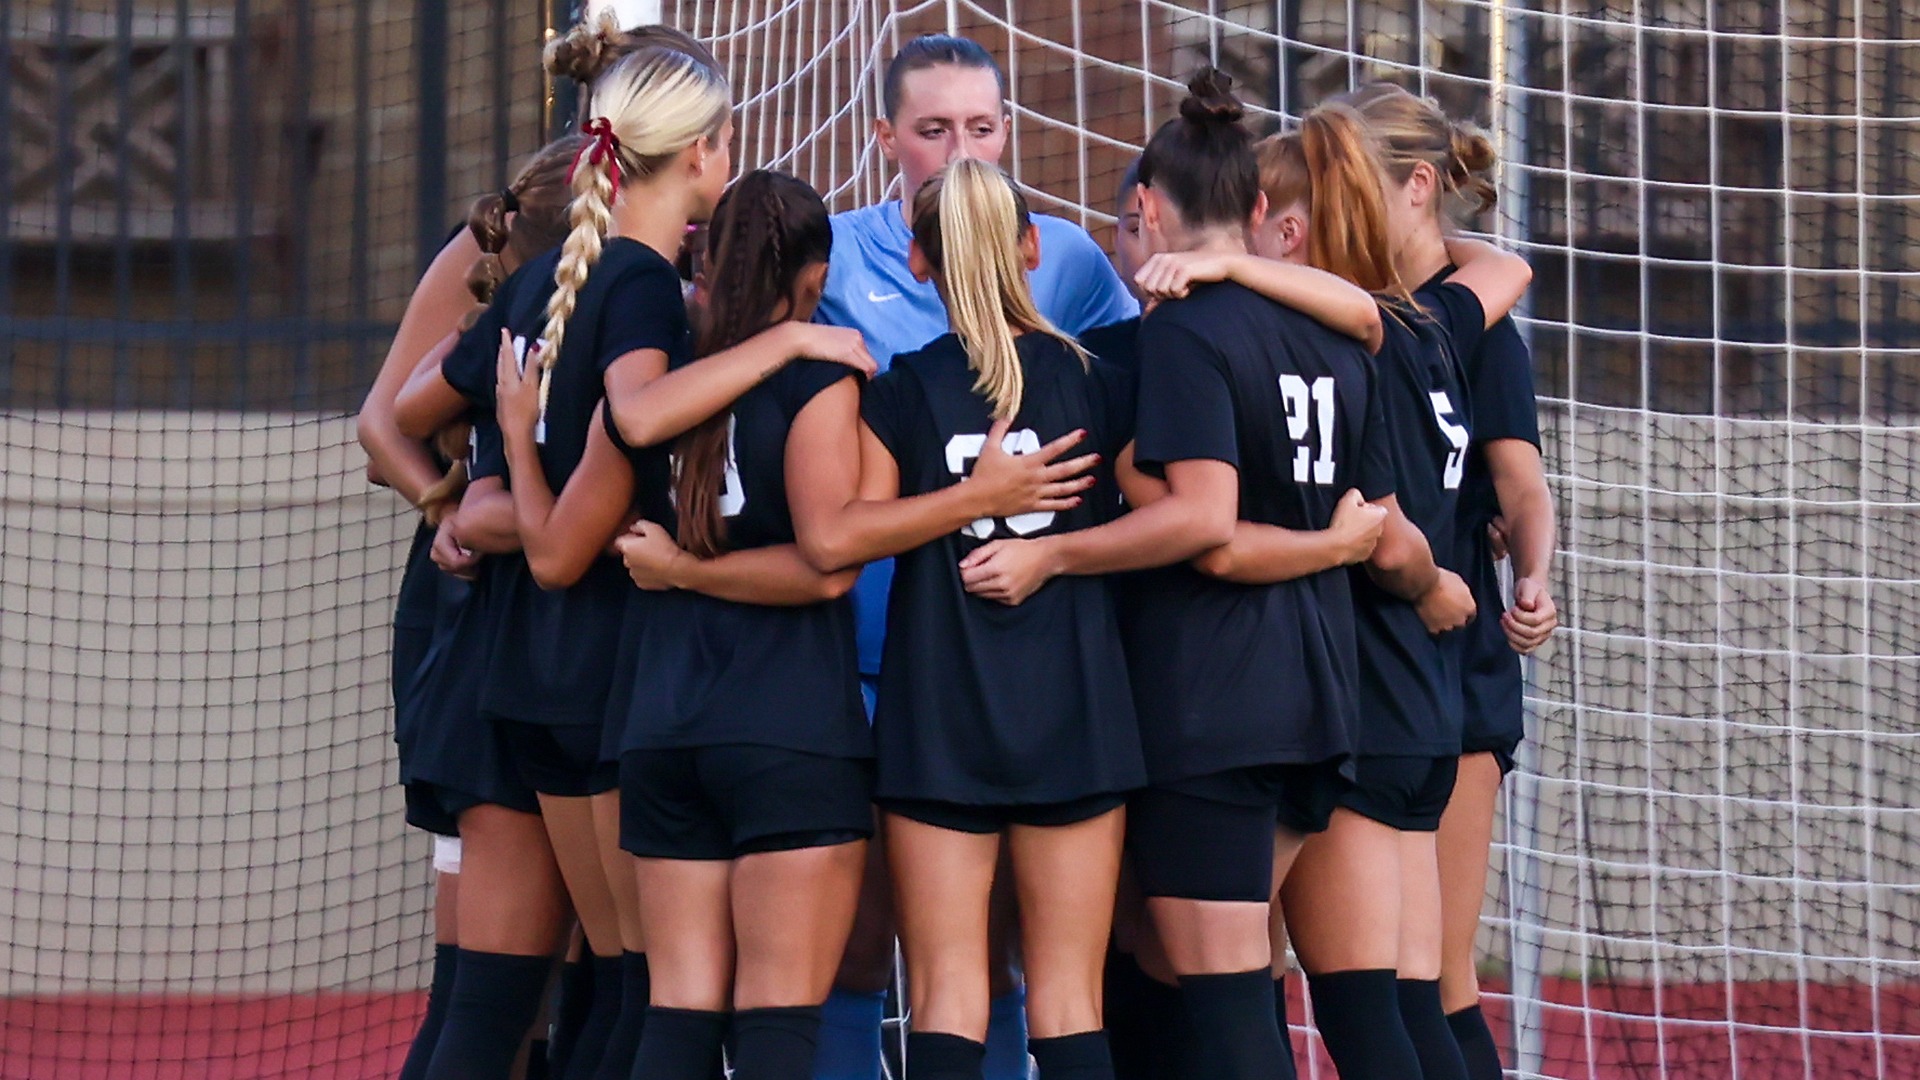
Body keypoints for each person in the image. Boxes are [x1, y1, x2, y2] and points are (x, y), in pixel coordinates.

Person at [809, 35, 1143, 1080]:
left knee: (949, 988)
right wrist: (1065, 550)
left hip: (936, 702)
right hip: (1074, 703)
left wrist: (965, 509)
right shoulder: (1099, 381)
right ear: (1033, 249)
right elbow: (1192, 515)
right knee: (1069, 997)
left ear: (919, 261)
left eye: (980, 125)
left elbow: (837, 533)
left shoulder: (897, 386)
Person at [1340, 81, 1560, 1080]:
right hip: (1373, 662)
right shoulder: (1360, 314)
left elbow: (1522, 484)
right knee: (1382, 968)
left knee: (1438, 974)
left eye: (1354, 184)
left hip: (1458, 660)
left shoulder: (1476, 329)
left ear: (1418, 187)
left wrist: (1536, 572)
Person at [357, 136, 578, 1080]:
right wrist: (453, 507)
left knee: (516, 991)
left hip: (538, 618)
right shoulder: (516, 274)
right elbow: (383, 421)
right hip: (479, 618)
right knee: (488, 992)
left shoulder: (614, 292)